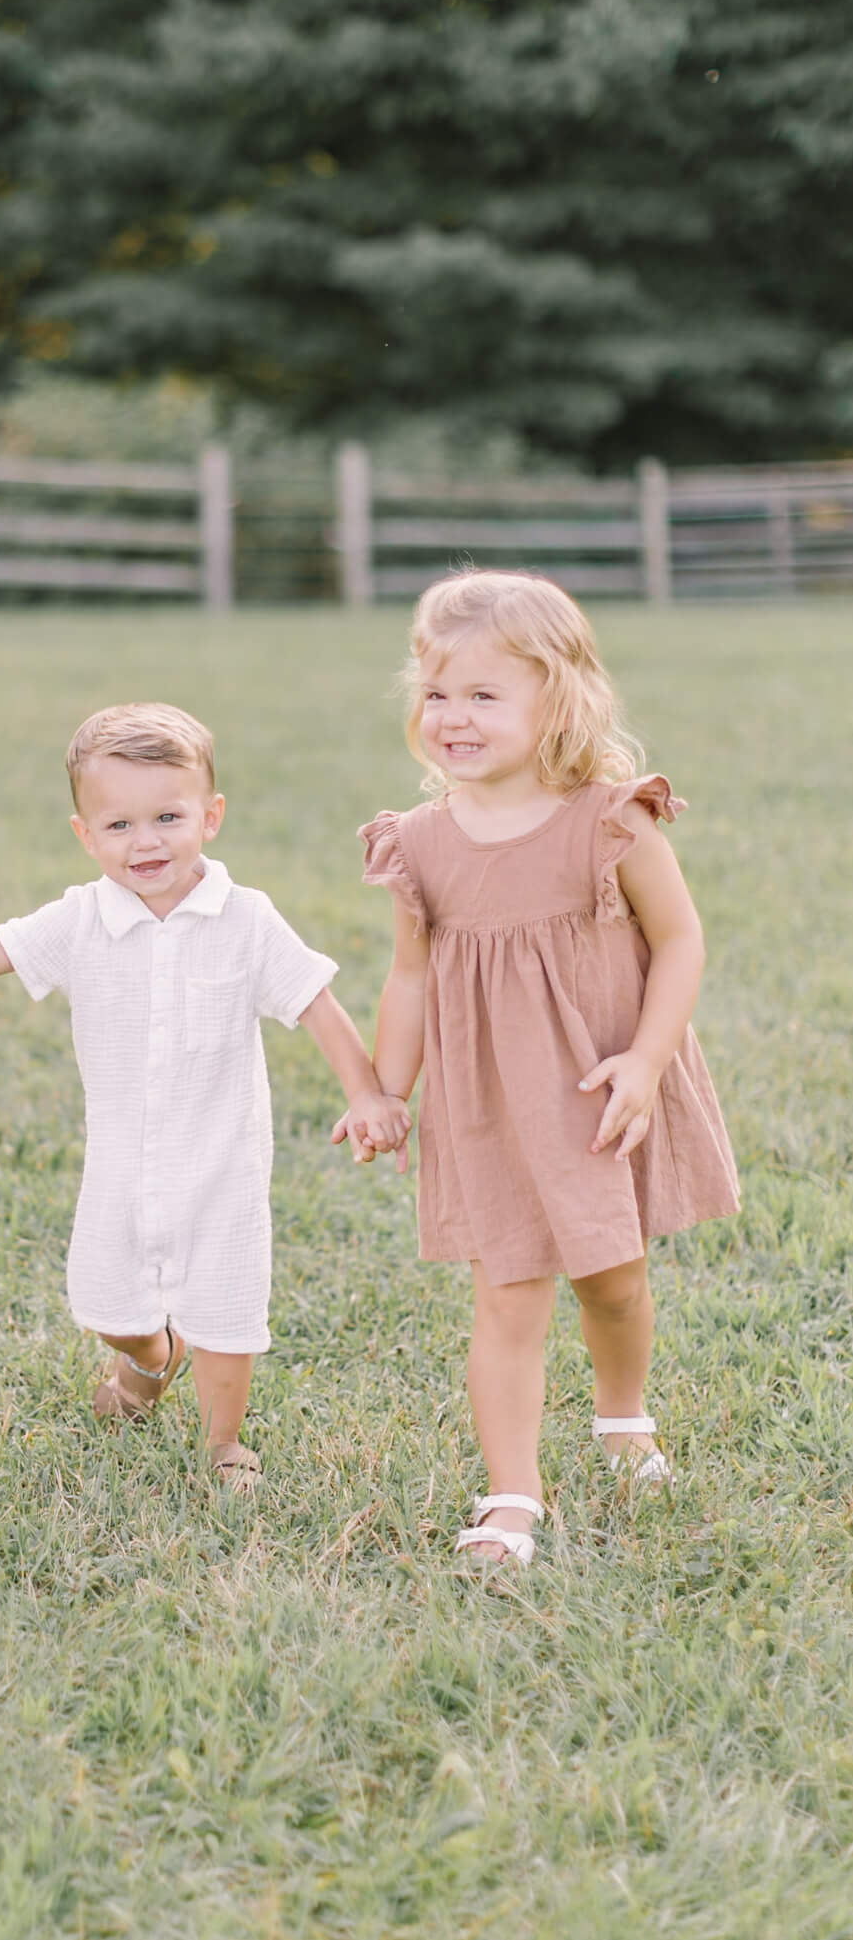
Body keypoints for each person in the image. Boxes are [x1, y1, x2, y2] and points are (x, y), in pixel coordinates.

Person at [0, 703, 411, 1491]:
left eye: (168, 817)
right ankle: (150, 1356)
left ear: (209, 817)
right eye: (119, 825)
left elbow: (314, 1000)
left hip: (221, 1165)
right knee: (107, 1303)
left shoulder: (245, 918)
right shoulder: (81, 919)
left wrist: (364, 1092)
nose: (145, 842)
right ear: (84, 834)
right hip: (119, 1164)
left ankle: (222, 1441)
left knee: (223, 1309)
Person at [348, 571, 738, 1568]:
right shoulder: (417, 844)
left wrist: (645, 1062)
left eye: (484, 695)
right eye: (436, 693)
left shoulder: (608, 820)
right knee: (505, 1293)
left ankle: (620, 1419)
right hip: (487, 1107)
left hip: (596, 1087)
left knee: (611, 1279)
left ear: (555, 701)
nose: (452, 716)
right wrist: (383, 1089)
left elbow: (681, 940)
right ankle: (510, 1494)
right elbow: (409, 975)